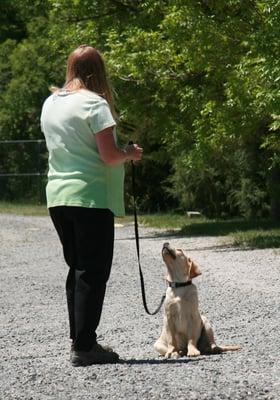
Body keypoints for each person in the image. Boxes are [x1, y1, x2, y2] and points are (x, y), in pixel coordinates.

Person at [40, 45, 143, 366]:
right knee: (93, 271)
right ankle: (85, 346)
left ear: (71, 68)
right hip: (91, 197)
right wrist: (129, 153)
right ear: (99, 71)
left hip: (57, 195)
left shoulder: (50, 103)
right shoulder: (95, 105)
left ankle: (80, 340)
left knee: (77, 269)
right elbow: (109, 156)